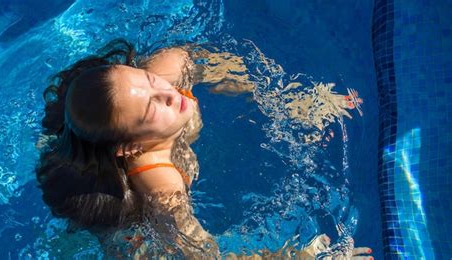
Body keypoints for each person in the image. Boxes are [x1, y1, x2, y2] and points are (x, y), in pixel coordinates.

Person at [36, 39, 372, 259]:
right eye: (153, 107)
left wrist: (297, 105)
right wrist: (300, 256)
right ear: (131, 146)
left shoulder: (168, 70)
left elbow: (231, 71)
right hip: (128, 230)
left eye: (149, 81)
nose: (170, 95)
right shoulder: (160, 182)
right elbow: (205, 254)